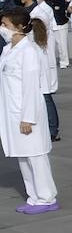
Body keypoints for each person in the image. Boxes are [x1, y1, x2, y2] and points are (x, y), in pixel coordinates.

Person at [0, 11, 57, 213]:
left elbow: (32, 88)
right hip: (11, 111)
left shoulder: (29, 52)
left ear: (20, 26)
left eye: (4, 24)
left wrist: (28, 118)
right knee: (23, 156)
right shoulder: (8, 49)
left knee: (35, 156)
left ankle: (47, 197)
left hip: (26, 112)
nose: (2, 28)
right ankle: (34, 196)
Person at [10, 0, 59, 141]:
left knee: (45, 95)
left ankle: (52, 130)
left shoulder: (39, 14)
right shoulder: (25, 13)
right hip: (28, 57)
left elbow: (40, 40)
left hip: (38, 58)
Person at [40, 0, 69, 69]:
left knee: (62, 45)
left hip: (60, 24)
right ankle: (50, 62)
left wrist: (54, 7)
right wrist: (54, 7)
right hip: (48, 25)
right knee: (49, 46)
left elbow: (60, 9)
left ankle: (64, 62)